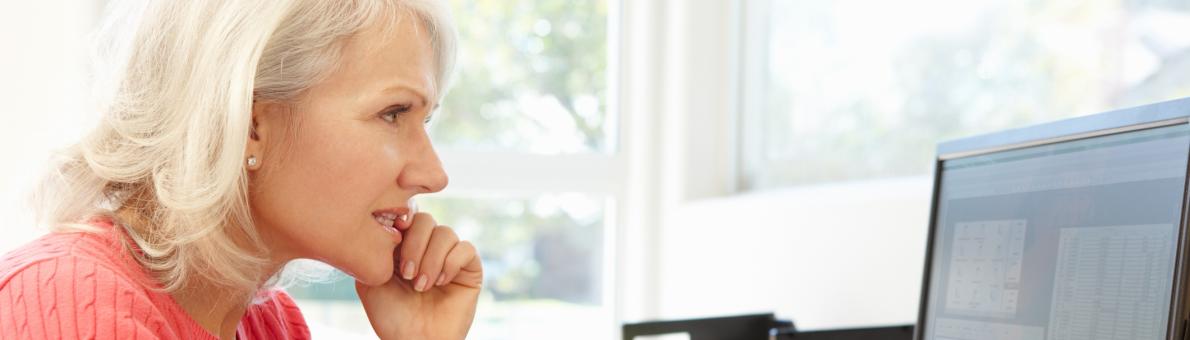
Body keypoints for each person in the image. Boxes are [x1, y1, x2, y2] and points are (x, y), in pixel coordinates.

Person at [0, 1, 482, 339]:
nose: (433, 174)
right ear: (249, 123)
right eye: (393, 113)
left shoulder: (272, 326)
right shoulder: (72, 304)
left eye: (426, 119)